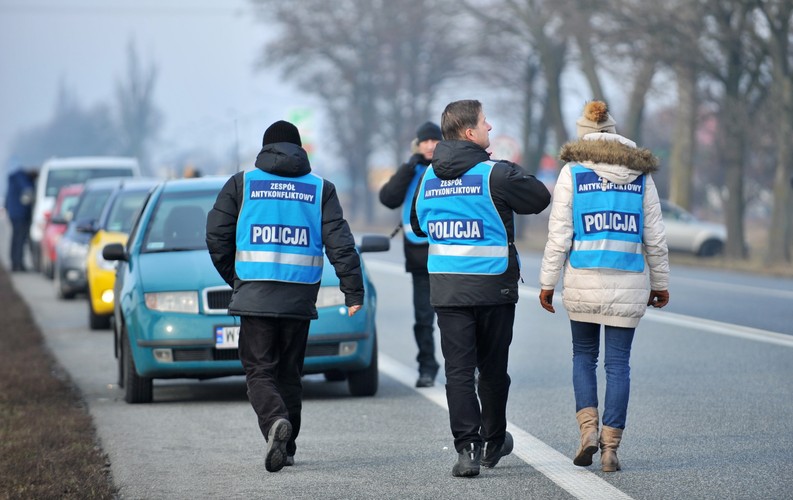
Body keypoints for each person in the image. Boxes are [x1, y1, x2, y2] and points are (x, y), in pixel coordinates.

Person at [206, 120, 364, 473]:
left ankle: (275, 421)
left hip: (255, 294)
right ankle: (287, 448)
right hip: (298, 298)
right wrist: (352, 290)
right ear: (299, 149)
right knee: (290, 373)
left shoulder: (242, 184)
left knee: (259, 371)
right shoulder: (320, 188)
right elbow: (340, 243)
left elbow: (216, 235)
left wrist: (237, 279)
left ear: (265, 148)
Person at [411, 100, 551, 477]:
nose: (490, 127)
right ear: (470, 132)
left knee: (458, 372)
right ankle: (493, 440)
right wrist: (508, 170)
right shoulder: (495, 174)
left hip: (447, 290)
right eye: (485, 122)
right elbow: (540, 198)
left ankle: (467, 450)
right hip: (493, 288)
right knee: (492, 370)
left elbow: (418, 225)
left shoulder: (428, 177)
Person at [538, 100, 670, 472]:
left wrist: (547, 282)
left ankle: (587, 433)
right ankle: (611, 449)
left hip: (583, 279)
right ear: (613, 134)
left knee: (583, 356)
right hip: (629, 280)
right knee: (618, 365)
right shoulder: (641, 175)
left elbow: (559, 235)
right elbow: (655, 237)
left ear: (584, 137)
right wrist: (660, 283)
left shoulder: (572, 172)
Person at [379, 121, 443, 388]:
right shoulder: (411, 169)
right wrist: (409, 167)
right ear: (417, 145)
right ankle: (427, 367)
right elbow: (388, 198)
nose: (429, 145)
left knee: (459, 318)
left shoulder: (451, 166)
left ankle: (469, 368)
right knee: (423, 319)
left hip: (450, 253)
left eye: (434, 140)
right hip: (418, 257)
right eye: (424, 141)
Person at [4, 166, 37, 271]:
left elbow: (7, 198)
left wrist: (7, 209)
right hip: (21, 214)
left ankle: (15, 263)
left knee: (15, 239)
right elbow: (29, 192)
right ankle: (18, 264)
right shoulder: (23, 180)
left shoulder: (13, 179)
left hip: (13, 213)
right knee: (20, 240)